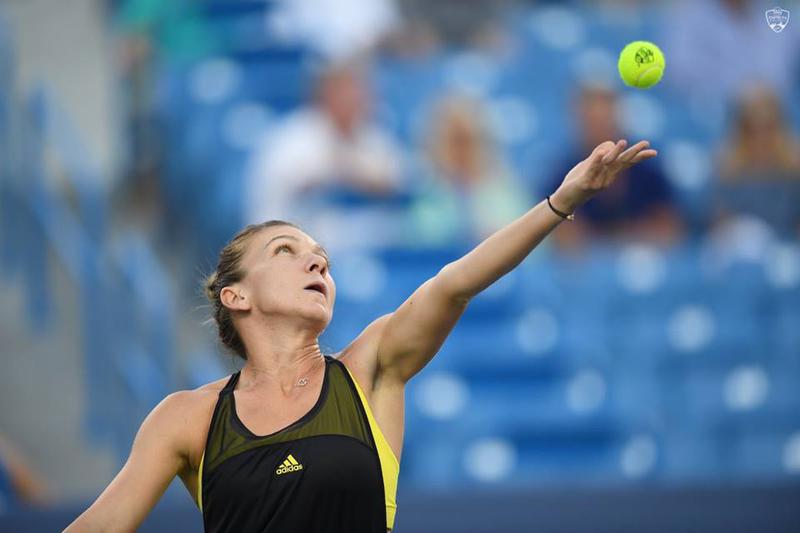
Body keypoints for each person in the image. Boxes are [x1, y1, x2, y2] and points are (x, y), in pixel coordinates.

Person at [65, 137, 657, 532]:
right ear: (235, 296)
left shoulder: (369, 370)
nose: (316, 262)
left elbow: (453, 285)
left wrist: (561, 202)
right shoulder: (187, 419)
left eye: (321, 255)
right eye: (286, 251)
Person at [245, 61, 405, 250]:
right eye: (345, 91)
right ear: (325, 94)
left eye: (359, 91)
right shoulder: (291, 140)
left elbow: (396, 183)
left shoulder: (373, 136)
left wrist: (358, 176)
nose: (355, 99)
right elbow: (275, 201)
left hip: (367, 250)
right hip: (295, 250)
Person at [544, 82, 682, 250]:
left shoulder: (647, 170)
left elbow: (669, 229)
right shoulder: (563, 175)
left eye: (605, 117)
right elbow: (563, 237)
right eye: (591, 119)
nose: (599, 126)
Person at [410, 93, 531, 245]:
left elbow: (526, 243)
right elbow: (421, 239)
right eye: (454, 141)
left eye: (469, 141)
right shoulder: (426, 193)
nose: (462, 151)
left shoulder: (506, 192)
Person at [714, 84, 800, 238]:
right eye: (752, 129)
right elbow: (720, 228)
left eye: (769, 128)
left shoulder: (793, 173)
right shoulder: (726, 172)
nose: (761, 137)